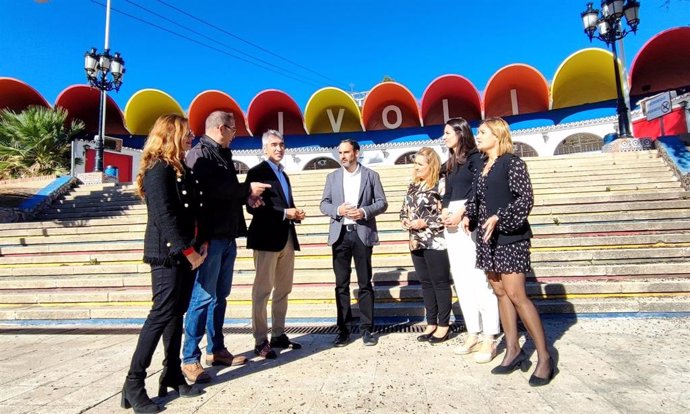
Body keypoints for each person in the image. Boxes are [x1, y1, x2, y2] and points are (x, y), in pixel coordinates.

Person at [461, 117, 556, 386]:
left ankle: (545, 357)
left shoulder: (513, 163)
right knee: (499, 292)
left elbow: (526, 199)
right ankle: (513, 350)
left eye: (482, 132)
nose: (477, 136)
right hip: (488, 239)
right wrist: (470, 215)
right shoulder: (482, 166)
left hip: (511, 238)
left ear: (497, 135)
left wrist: (499, 217)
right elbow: (476, 199)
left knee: (516, 295)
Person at [122, 114, 206, 413]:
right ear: (170, 134)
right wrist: (188, 250)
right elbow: (165, 216)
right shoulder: (158, 168)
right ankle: (134, 383)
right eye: (187, 132)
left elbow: (194, 209)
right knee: (160, 315)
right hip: (167, 254)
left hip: (187, 252)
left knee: (175, 314)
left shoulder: (181, 168)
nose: (191, 136)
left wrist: (201, 242)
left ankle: (171, 373)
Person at [182, 111, 269, 383]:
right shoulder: (200, 154)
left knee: (220, 295)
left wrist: (247, 200)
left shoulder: (222, 154)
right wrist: (247, 190)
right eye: (233, 130)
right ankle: (189, 358)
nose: (235, 135)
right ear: (222, 128)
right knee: (203, 296)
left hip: (227, 235)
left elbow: (227, 192)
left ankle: (216, 348)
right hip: (210, 237)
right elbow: (212, 191)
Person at [441, 118, 500, 363]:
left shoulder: (476, 158)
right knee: (461, 279)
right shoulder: (450, 164)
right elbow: (446, 193)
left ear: (460, 132)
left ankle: (490, 336)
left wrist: (463, 212)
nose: (444, 137)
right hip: (450, 223)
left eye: (447, 133)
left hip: (468, 220)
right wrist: (444, 211)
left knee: (478, 279)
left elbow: (478, 189)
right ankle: (472, 332)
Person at [320, 139, 388, 347]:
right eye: (340, 153)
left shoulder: (371, 175)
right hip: (340, 234)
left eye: (346, 152)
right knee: (341, 284)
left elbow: (382, 202)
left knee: (365, 283)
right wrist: (337, 210)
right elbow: (324, 204)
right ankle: (343, 330)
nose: (342, 156)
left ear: (356, 153)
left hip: (362, 233)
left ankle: (367, 329)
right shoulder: (332, 177)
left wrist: (364, 212)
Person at [246, 130, 305, 359]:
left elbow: (284, 205)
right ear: (264, 148)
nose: (279, 148)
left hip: (286, 238)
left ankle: (278, 334)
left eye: (281, 144)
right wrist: (284, 213)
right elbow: (253, 207)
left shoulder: (284, 174)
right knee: (262, 292)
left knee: (284, 289)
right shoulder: (257, 172)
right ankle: (260, 340)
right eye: (274, 145)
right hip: (266, 239)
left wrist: (294, 213)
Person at [400, 147, 453, 344]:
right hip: (416, 241)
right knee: (426, 283)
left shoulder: (441, 184)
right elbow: (403, 210)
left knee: (440, 283)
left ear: (431, 165)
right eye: (415, 164)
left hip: (436, 240)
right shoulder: (413, 185)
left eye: (420, 164)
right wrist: (405, 220)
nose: (416, 168)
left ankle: (444, 325)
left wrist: (426, 222)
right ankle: (431, 323)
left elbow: (446, 214)